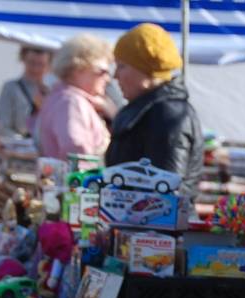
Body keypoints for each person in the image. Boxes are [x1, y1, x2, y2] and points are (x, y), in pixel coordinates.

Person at [106, 23, 203, 208]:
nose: (115, 76)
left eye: (121, 66)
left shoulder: (168, 115)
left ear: (144, 70)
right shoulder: (147, 110)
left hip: (152, 224)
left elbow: (166, 195)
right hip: (131, 220)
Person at [35, 34, 112, 159]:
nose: (108, 79)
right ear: (78, 68)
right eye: (102, 72)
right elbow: (77, 152)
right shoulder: (71, 102)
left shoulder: (62, 97)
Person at [0, 46, 52, 138]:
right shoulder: (11, 88)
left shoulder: (53, 92)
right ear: (23, 60)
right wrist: (22, 142)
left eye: (41, 64)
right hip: (17, 143)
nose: (35, 69)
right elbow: (2, 125)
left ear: (48, 66)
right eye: (31, 63)